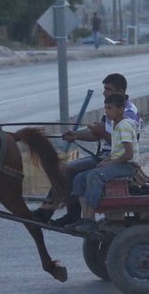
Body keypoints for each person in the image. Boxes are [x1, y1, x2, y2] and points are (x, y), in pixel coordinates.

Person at [36, 72, 140, 226]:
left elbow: (122, 143)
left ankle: (54, 212)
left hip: (114, 157)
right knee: (70, 170)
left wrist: (100, 132)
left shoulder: (127, 113)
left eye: (108, 89)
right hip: (107, 155)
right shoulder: (113, 109)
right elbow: (97, 134)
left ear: (120, 92)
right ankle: (73, 215)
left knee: (68, 170)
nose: (104, 92)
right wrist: (76, 135)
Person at [68, 93, 138, 234]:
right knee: (79, 178)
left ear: (120, 109)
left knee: (94, 176)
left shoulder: (124, 126)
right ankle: (86, 217)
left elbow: (129, 154)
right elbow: (116, 151)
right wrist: (106, 161)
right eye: (105, 107)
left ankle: (90, 221)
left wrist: (109, 164)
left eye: (109, 108)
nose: (106, 111)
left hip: (127, 166)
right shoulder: (115, 125)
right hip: (117, 163)